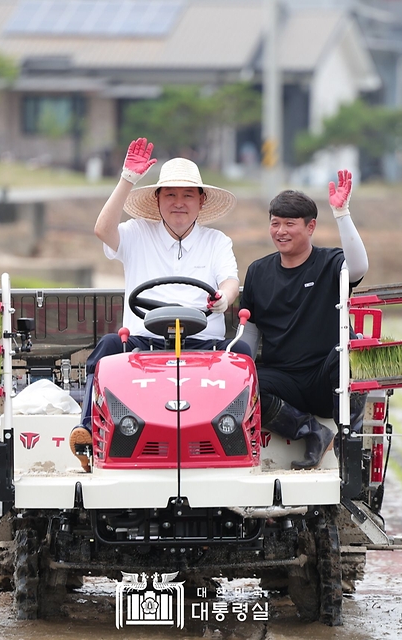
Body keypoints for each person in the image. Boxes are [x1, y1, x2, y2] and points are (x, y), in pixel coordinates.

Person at [69, 138, 250, 471]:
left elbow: (229, 281)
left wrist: (224, 298)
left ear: (201, 200)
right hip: (142, 344)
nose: (178, 203)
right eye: (170, 194)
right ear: (157, 199)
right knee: (108, 346)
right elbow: (102, 229)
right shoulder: (137, 232)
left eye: (187, 195)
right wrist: (127, 179)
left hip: (204, 346)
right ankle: (89, 430)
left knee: (244, 357)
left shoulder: (216, 242)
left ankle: (241, 443)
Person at [240, 170, 368, 469]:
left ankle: (350, 449)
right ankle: (312, 432)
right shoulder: (258, 271)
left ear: (310, 227)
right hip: (284, 380)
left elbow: (359, 266)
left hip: (325, 378)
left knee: (351, 350)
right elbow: (250, 333)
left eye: (289, 224)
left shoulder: (331, 263)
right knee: (243, 384)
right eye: (275, 223)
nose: (280, 231)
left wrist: (342, 213)